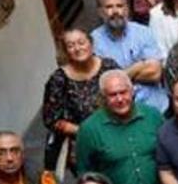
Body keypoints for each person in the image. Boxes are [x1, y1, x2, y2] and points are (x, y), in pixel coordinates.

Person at [76, 70, 167, 184]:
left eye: (123, 92)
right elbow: (85, 174)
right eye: (112, 95)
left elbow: (168, 155)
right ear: (103, 98)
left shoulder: (153, 116)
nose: (119, 99)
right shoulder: (89, 130)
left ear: (132, 92)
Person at [42, 29, 121, 172]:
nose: (77, 48)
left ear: (90, 44)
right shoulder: (59, 79)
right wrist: (87, 132)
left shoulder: (109, 66)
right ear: (66, 51)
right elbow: (51, 119)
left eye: (81, 43)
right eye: (71, 45)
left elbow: (126, 94)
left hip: (118, 133)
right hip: (84, 143)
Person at [91, 0, 169, 113]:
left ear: (126, 9)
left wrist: (117, 76)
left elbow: (155, 74)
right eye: (109, 7)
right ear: (100, 12)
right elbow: (103, 84)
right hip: (119, 113)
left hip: (155, 107)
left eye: (120, 6)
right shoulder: (94, 41)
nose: (115, 11)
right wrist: (138, 66)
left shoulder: (144, 32)